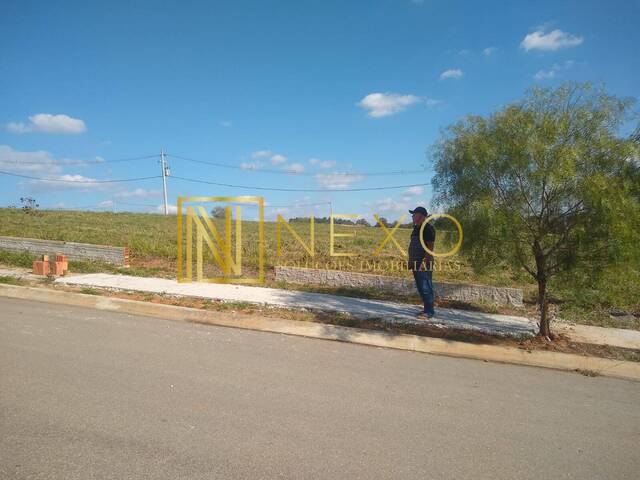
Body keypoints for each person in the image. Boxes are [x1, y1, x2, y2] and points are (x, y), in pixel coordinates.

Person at [407, 206, 436, 319]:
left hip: (423, 264)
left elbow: (430, 248)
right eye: (413, 215)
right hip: (415, 263)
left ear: (421, 216)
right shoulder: (416, 228)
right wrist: (410, 261)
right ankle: (426, 309)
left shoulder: (428, 228)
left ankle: (429, 312)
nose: (412, 217)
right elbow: (413, 245)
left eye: (414, 215)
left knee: (425, 287)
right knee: (421, 287)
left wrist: (424, 263)